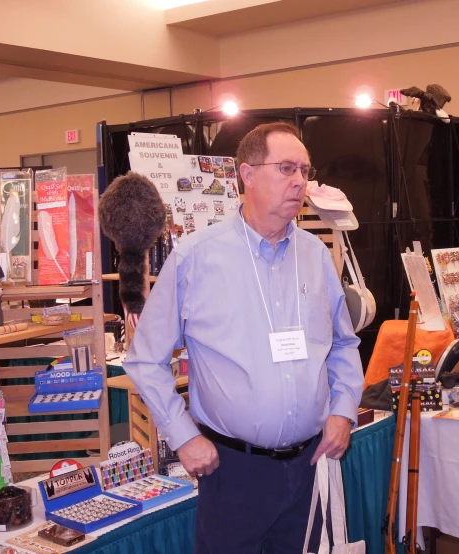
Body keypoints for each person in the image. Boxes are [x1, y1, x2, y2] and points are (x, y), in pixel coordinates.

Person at [123, 122, 364, 553]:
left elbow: (343, 345)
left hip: (310, 465)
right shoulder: (196, 257)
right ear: (247, 176)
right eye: (287, 168)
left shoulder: (315, 256)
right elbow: (144, 360)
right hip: (233, 471)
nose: (300, 182)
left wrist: (343, 410)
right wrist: (183, 435)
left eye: (305, 170)